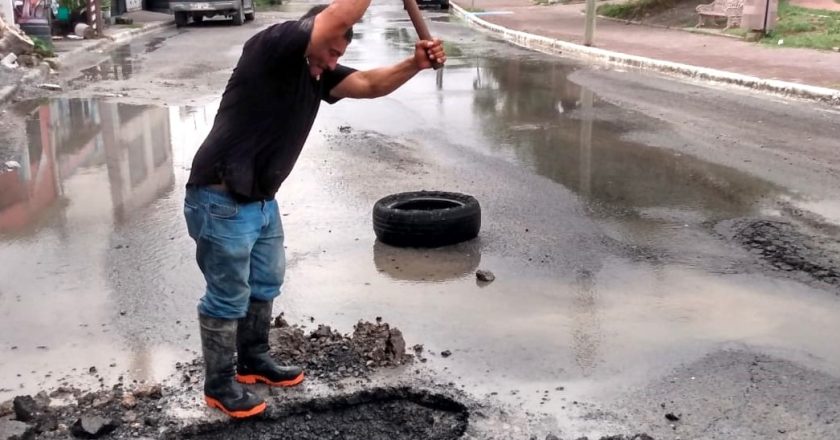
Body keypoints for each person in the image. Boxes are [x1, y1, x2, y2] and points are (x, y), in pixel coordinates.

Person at [183, 0, 446, 419]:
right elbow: (339, 18)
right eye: (332, 51)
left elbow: (368, 84)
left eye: (339, 56)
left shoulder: (315, 73)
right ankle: (219, 385)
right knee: (227, 295)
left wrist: (413, 63)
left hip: (261, 200)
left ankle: (253, 361)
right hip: (220, 198)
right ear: (314, 34)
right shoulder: (275, 45)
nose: (334, 61)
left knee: (265, 282)